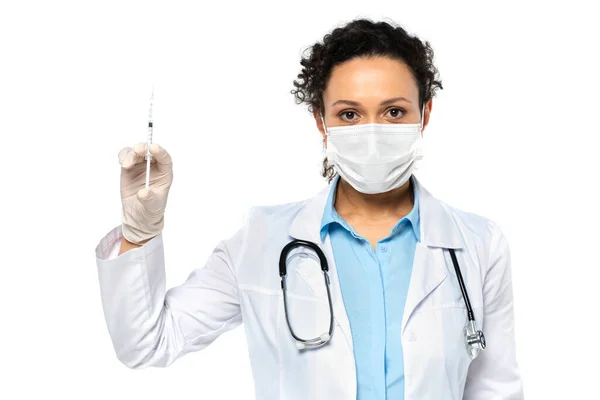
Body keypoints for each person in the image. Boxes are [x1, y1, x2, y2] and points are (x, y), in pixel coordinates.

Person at [94, 18, 523, 400]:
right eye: (350, 114)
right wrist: (139, 232)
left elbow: (496, 389)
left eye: (394, 112)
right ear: (321, 121)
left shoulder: (478, 244)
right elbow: (147, 343)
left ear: (424, 114)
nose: (372, 132)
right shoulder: (260, 242)